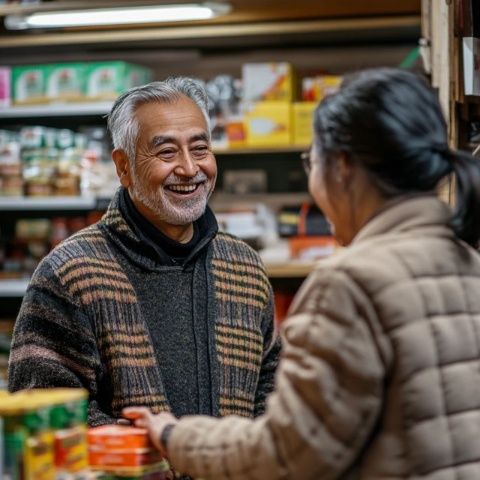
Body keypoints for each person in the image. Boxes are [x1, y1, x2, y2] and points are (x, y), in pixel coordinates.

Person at [123, 68, 480, 479]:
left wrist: (172, 435)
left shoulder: (350, 283)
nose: (188, 168)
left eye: (313, 161)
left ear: (341, 166)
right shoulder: (468, 262)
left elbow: (287, 457)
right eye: (167, 152)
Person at [8, 77, 280, 428]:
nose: (189, 168)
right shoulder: (70, 273)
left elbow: (271, 392)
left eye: (200, 148)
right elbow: (42, 414)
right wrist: (146, 453)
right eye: (167, 152)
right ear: (123, 166)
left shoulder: (244, 267)